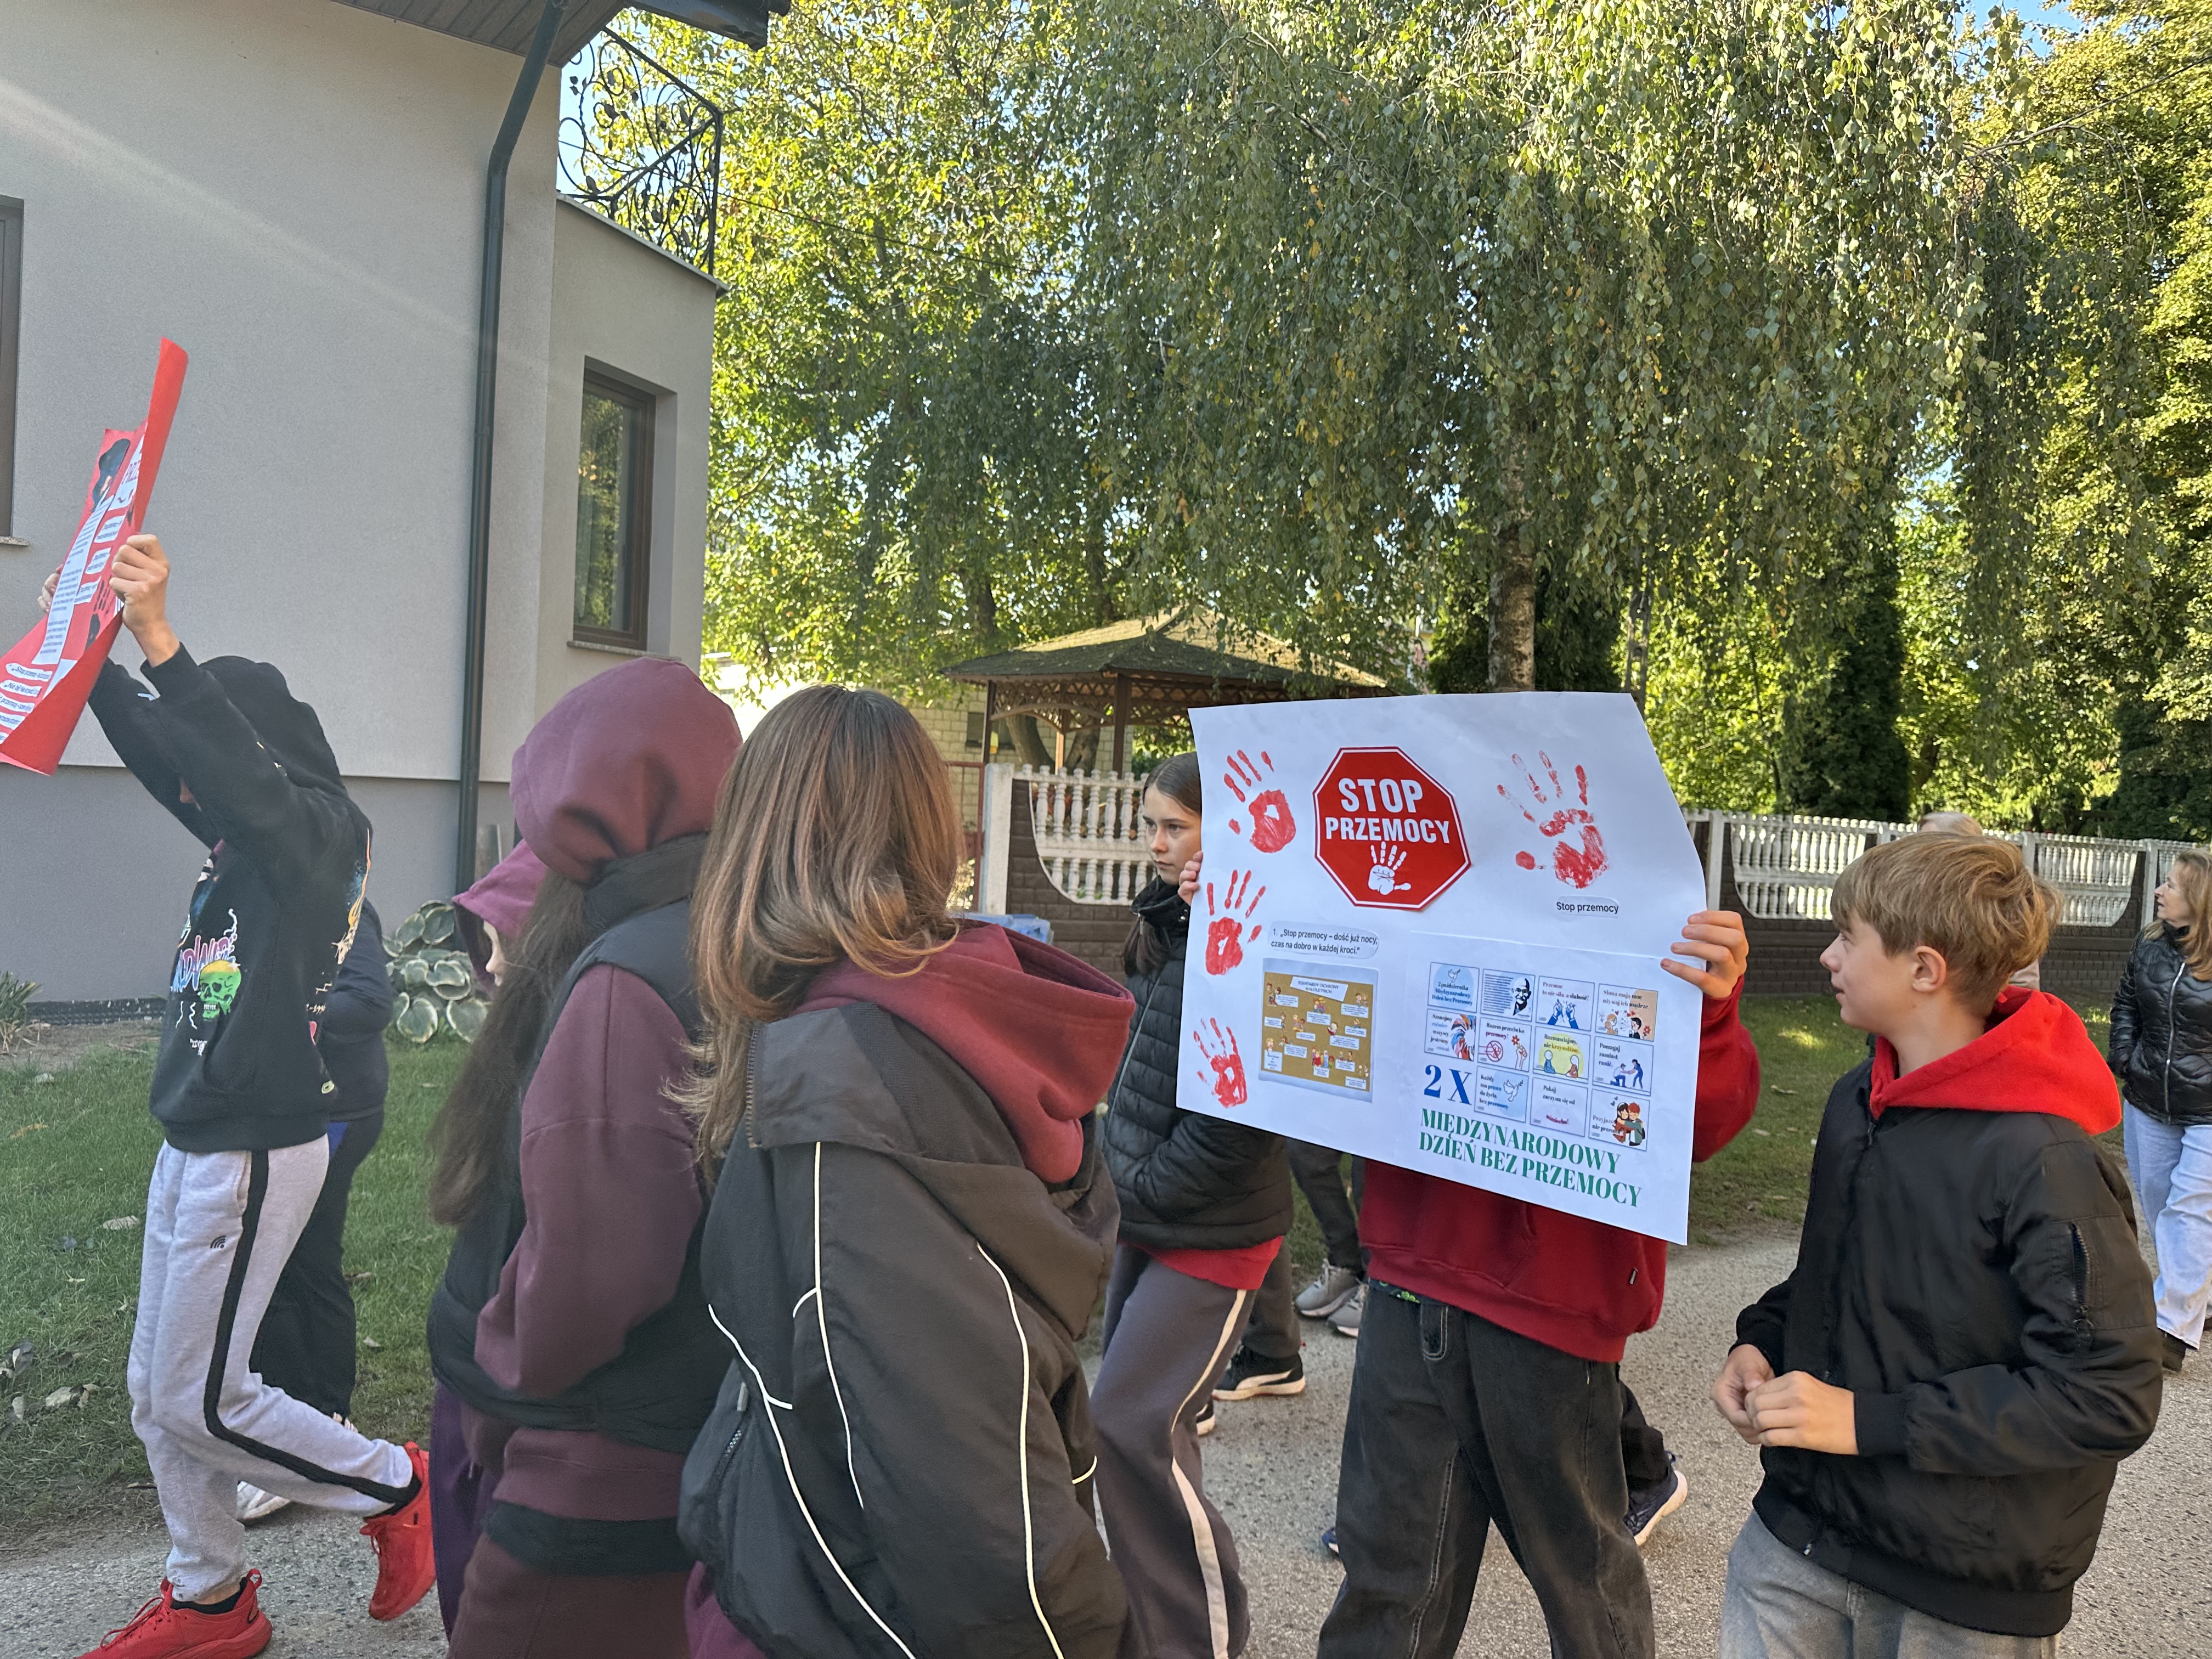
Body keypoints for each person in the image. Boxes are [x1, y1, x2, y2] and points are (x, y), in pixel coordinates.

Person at [676, 686, 1138, 1659]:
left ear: (756, 842)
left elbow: (977, 1507)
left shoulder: (841, 1083)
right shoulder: (908, 1024)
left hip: (847, 1617)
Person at [58, 536, 431, 1659]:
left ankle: (401, 1487)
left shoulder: (313, 838)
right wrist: (87, 650)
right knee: (156, 1388)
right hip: (198, 1131)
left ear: (257, 752)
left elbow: (239, 778)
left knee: (205, 1399)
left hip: (259, 1143)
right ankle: (211, 1598)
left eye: (210, 765)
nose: (190, 790)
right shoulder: (243, 840)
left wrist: (163, 641)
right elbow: (170, 753)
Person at [1713, 833, 2162, 1658]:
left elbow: (2108, 1394)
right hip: (1799, 1538)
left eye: (1848, 937)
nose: (1827, 956)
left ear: (1925, 969)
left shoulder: (2045, 1160)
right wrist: (1762, 1339)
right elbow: (1837, 1268)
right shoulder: (1857, 1099)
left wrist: (1869, 1421)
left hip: (1961, 1592)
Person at [1318, 905, 1759, 1659]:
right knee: (1387, 1579)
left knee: (1582, 1584)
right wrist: (1237, 905)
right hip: (1409, 1270)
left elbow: (1700, 1125)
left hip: (1550, 1296)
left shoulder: (1642, 897)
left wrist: (1711, 1014)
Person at [425, 657, 741, 1658]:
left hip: (585, 1451)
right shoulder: (723, 933)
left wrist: (499, 1376)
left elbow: (595, 1272)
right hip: (680, 1425)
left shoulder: (626, 977)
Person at [1092, 751, 1296, 1659]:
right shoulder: (1172, 919)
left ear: (1231, 835)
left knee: (1130, 1421)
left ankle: (1198, 1635)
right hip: (1146, 1213)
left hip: (1207, 1231)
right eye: (1151, 825)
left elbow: (1238, 1124)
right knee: (1143, 1426)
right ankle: (1158, 1623)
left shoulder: (1264, 935)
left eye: (1173, 827)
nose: (1155, 843)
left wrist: (1136, 1187)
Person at [237, 901, 393, 1522]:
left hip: (337, 1112)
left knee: (300, 1260)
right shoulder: (249, 893)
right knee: (271, 1262)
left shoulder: (337, 900)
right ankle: (288, 1421)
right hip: (285, 1109)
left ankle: (321, 1424)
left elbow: (370, 1002)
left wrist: (279, 1009)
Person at [2110, 847, 2212, 1373]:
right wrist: (2124, 1055)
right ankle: (2198, 1297)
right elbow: (2127, 1001)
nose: (2159, 890)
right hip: (2150, 1097)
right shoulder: (2150, 944)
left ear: (2200, 898)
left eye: (2171, 884)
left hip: (2209, 1112)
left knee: (2189, 1208)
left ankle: (2168, 1327)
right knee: (2159, 1204)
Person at [1918, 811, 2042, 990]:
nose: (1919, 852)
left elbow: (2022, 981)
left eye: (1930, 843)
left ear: (1965, 846)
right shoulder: (1916, 895)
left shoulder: (2002, 894)